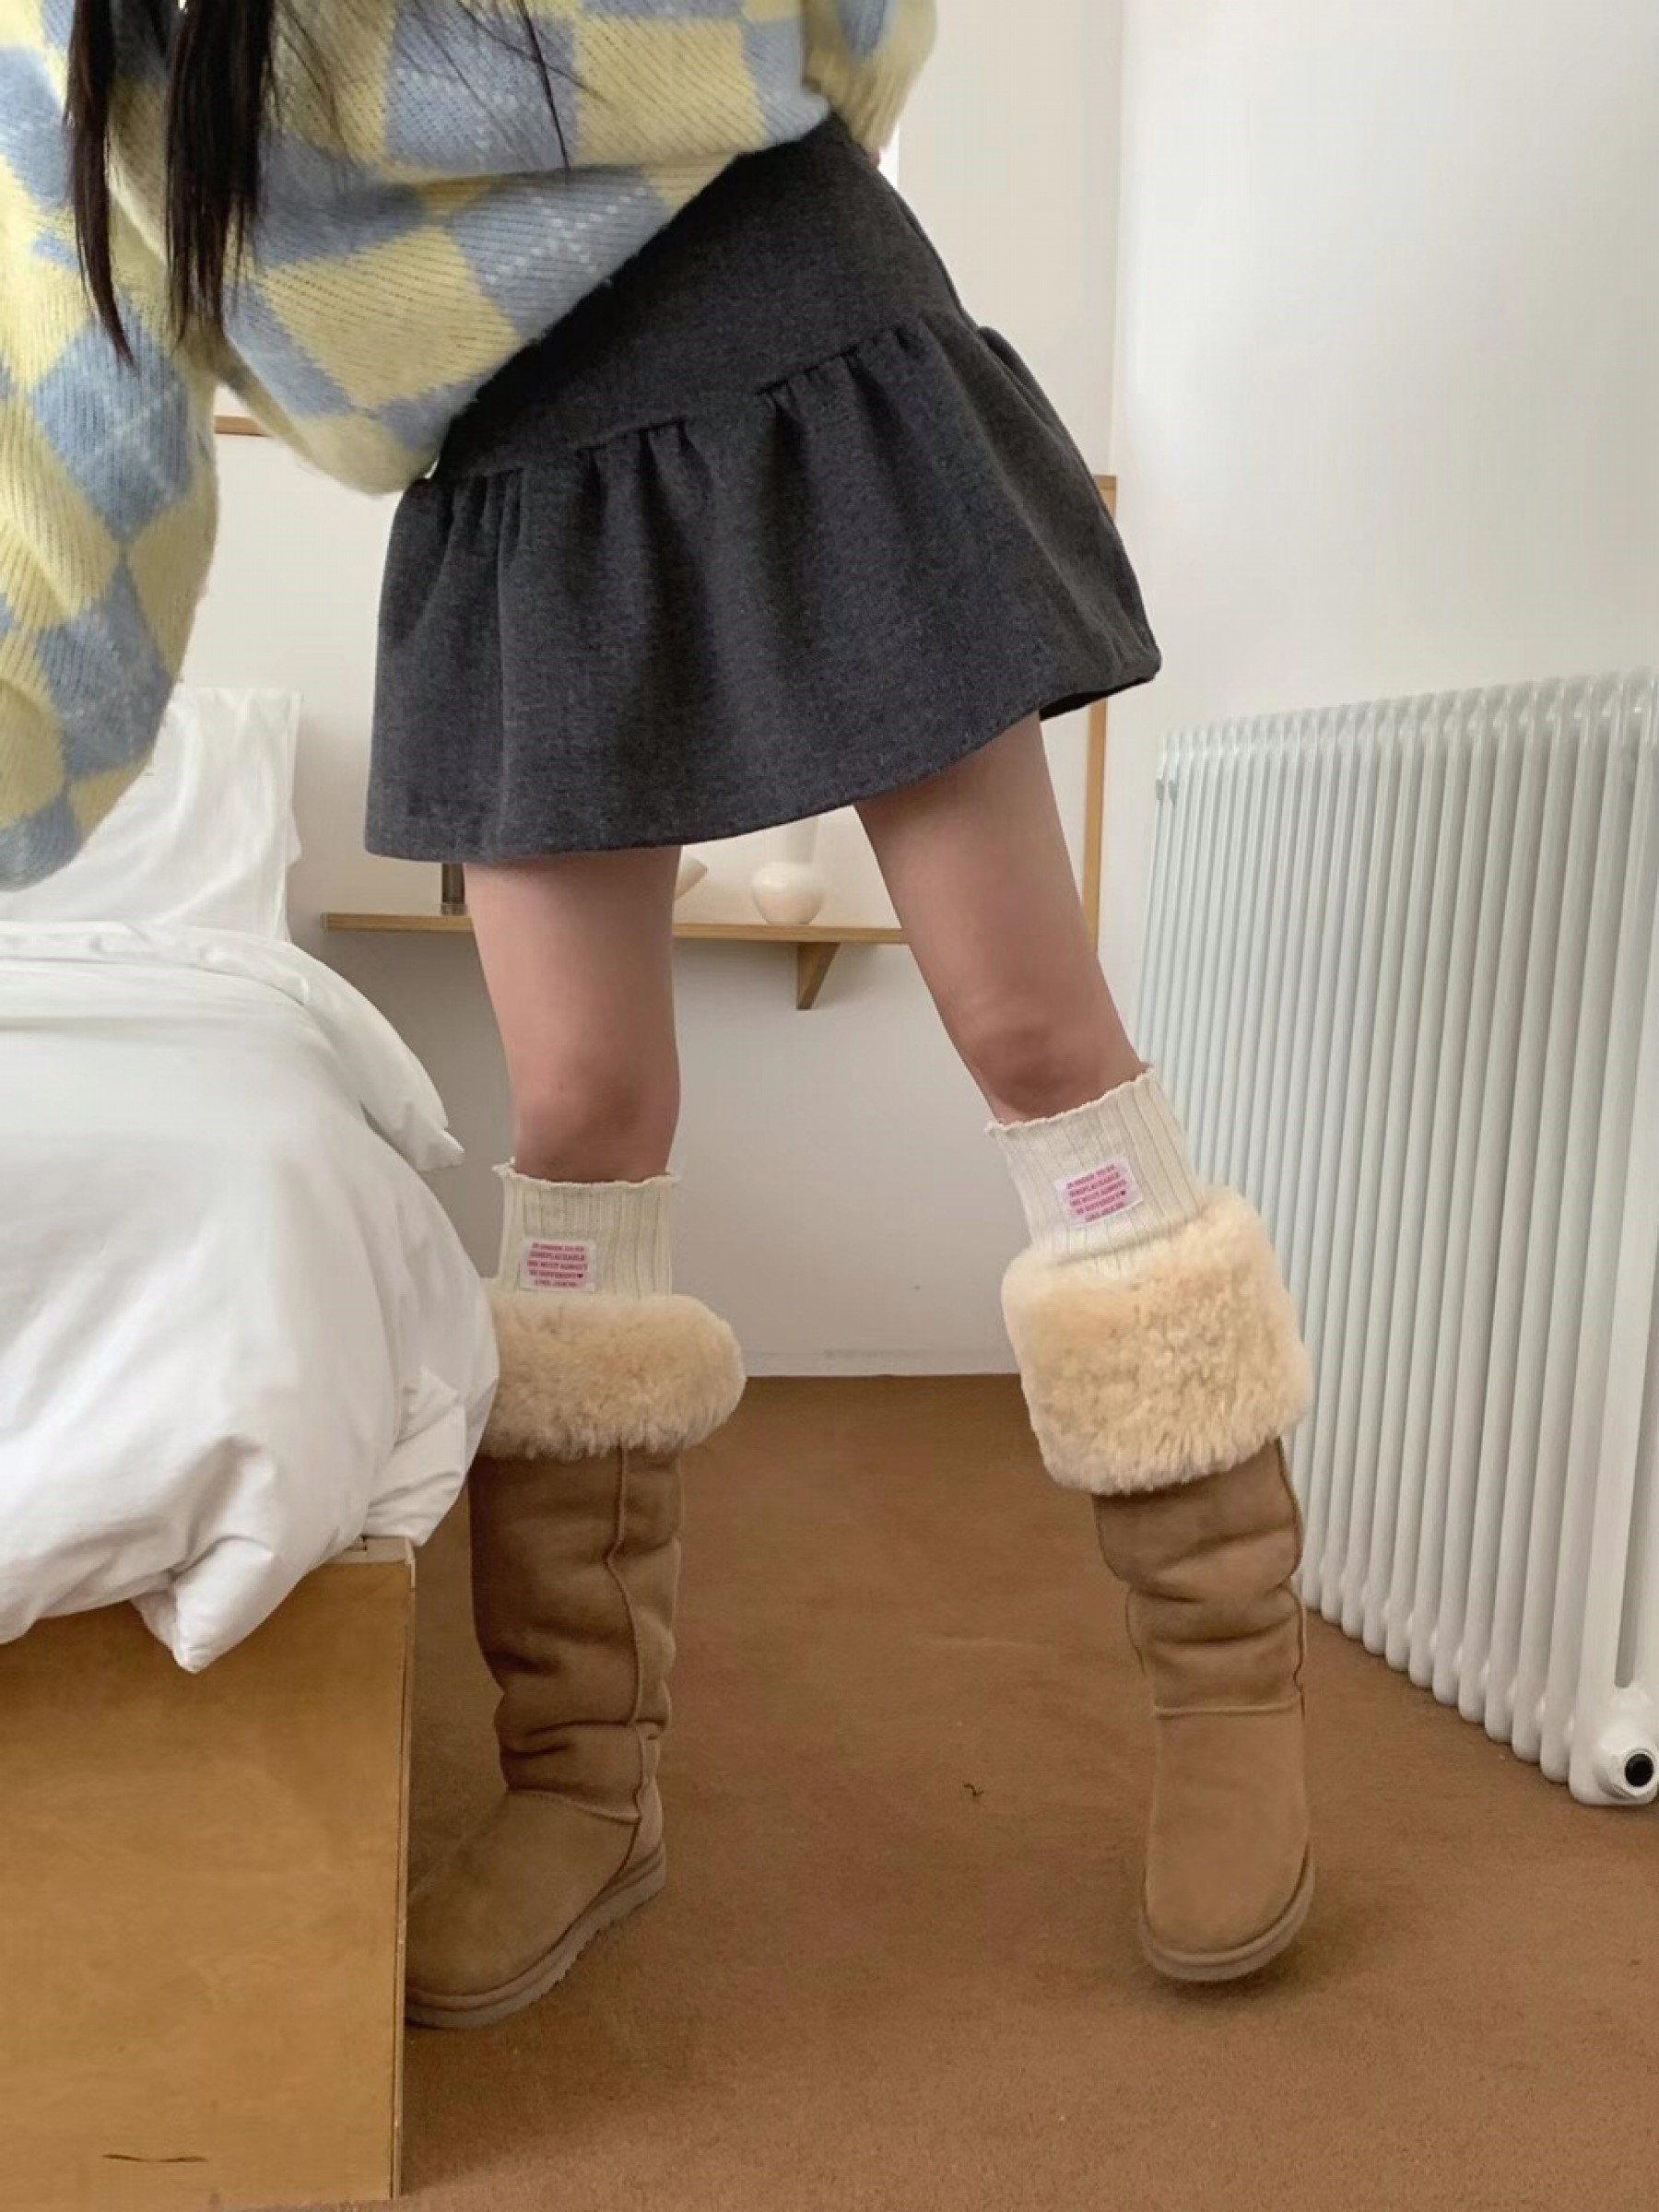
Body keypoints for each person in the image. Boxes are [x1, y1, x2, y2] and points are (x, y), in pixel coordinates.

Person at [1, 1, 1313, 2024]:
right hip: (507, 470)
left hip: (798, 332)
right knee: (582, 1120)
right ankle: (583, 1784)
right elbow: (69, 377)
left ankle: (1231, 1683)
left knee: (1035, 1038)